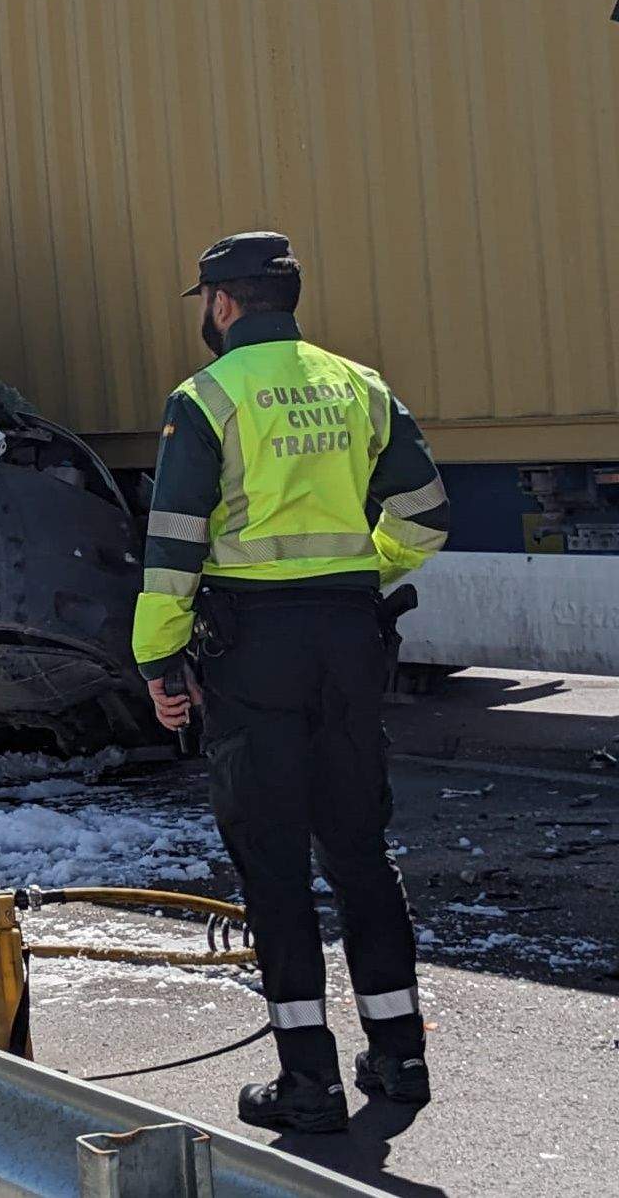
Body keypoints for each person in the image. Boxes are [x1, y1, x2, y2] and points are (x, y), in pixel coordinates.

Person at [133, 231, 449, 1134]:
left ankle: (308, 1082)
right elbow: (427, 514)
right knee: (357, 852)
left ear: (223, 303)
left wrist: (160, 664)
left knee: (274, 868)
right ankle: (401, 1055)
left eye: (205, 301)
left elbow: (173, 551)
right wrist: (366, 570)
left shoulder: (206, 399)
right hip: (351, 643)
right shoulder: (360, 385)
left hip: (253, 655)